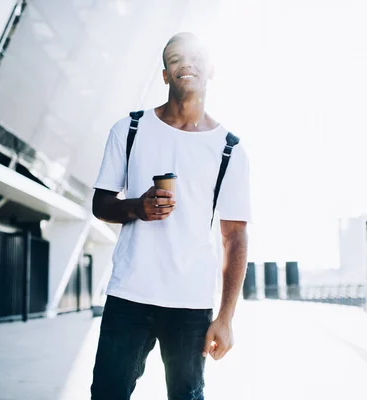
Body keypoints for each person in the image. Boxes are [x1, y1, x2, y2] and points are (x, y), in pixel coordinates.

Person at [90, 32, 251, 400]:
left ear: (210, 69)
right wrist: (137, 207)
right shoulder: (129, 129)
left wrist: (225, 318)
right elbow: (100, 205)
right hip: (129, 294)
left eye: (194, 57)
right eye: (175, 59)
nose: (186, 64)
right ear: (165, 74)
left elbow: (235, 239)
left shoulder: (230, 150)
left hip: (190, 302)